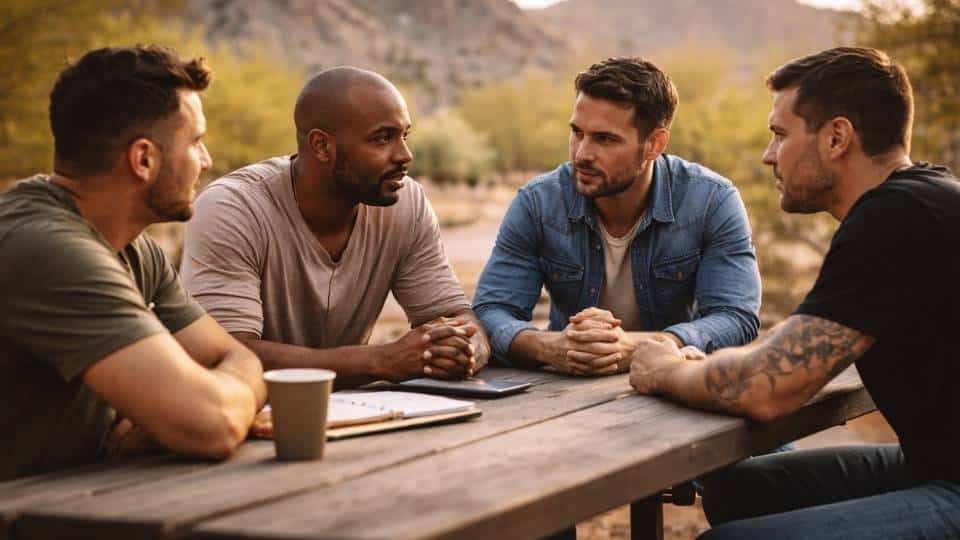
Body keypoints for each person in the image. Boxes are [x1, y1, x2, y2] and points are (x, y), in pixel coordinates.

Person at [629, 47, 960, 539]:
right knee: (741, 490)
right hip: (935, 463)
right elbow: (794, 348)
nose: (768, 155)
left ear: (836, 138)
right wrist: (716, 368)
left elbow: (764, 389)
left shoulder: (894, 218)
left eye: (780, 135)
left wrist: (665, 370)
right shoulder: (924, 196)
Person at [0, 46, 267, 481]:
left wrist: (188, 407)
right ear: (143, 159)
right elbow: (213, 424)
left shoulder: (133, 248)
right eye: (196, 142)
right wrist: (217, 402)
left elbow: (235, 354)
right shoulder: (45, 248)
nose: (207, 161)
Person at [180, 67, 490, 387]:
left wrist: (466, 347)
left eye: (405, 136)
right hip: (250, 418)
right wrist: (383, 361)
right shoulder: (234, 209)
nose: (405, 155)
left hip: (366, 415)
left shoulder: (406, 203)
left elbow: (457, 315)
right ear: (321, 146)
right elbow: (224, 353)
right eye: (383, 138)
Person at [472, 56, 761, 375]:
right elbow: (491, 310)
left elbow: (736, 316)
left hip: (672, 384)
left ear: (654, 144)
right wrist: (550, 347)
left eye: (605, 139)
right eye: (577, 132)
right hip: (562, 388)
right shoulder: (537, 203)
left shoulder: (711, 201)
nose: (582, 153)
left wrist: (638, 347)